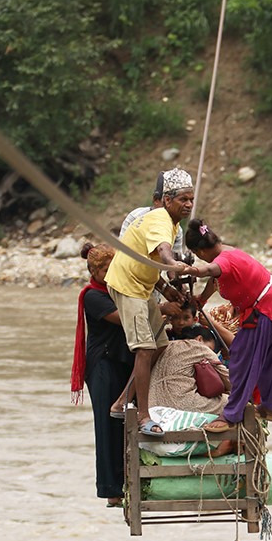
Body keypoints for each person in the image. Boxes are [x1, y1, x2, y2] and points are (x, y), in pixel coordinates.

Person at [104, 168, 194, 437]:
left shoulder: (173, 222)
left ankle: (122, 401)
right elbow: (164, 252)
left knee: (159, 345)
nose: (188, 204)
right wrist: (175, 265)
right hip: (127, 286)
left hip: (143, 285)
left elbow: (148, 259)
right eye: (182, 199)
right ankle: (143, 416)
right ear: (166, 200)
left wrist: (166, 289)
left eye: (191, 199)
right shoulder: (159, 220)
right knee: (144, 349)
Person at [185, 218, 272, 431]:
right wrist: (202, 299)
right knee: (268, 359)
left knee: (242, 358)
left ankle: (231, 415)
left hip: (266, 306)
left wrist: (192, 271)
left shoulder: (223, 261)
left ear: (200, 252)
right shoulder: (226, 251)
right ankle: (270, 407)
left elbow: (211, 270)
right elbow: (215, 278)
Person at [70, 243, 133, 507]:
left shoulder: (119, 289)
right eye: (106, 269)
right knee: (107, 425)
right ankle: (111, 489)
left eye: (114, 268)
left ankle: (131, 480)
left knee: (128, 422)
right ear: (95, 271)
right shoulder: (93, 296)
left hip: (123, 360)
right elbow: (125, 318)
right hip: (103, 365)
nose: (110, 273)